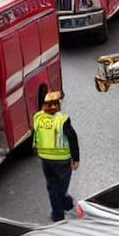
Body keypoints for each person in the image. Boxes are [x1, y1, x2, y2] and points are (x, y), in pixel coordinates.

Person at [32, 91, 80, 222]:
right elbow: (72, 138)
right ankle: (59, 213)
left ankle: (64, 204)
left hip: (45, 159)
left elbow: (36, 133)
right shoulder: (62, 120)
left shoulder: (37, 117)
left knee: (52, 186)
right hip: (61, 160)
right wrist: (76, 159)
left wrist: (35, 147)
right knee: (60, 187)